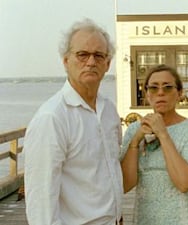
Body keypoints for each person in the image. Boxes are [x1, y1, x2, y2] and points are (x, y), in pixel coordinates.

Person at [24, 19, 123, 225]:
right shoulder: (52, 118)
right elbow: (40, 201)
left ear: (107, 64)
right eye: (82, 54)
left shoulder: (109, 111)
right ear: (66, 60)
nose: (91, 62)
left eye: (99, 55)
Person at [120, 64, 188, 225]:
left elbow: (185, 183)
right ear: (146, 94)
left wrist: (163, 134)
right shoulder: (134, 130)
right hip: (145, 219)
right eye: (153, 88)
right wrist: (134, 142)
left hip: (184, 219)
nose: (160, 93)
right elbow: (125, 185)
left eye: (167, 88)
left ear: (180, 93)